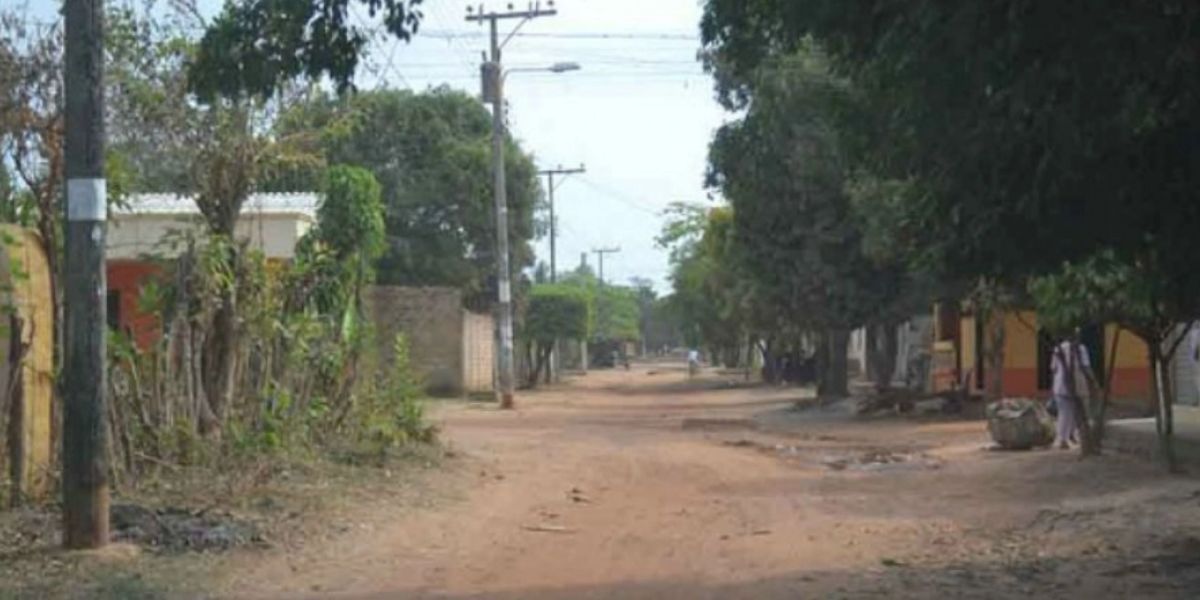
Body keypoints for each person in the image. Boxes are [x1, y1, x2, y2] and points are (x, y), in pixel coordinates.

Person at [1050, 333, 1095, 450]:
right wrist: (1093, 381)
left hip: (1059, 384)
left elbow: (1053, 368)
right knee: (1074, 413)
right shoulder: (1081, 349)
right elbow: (1086, 367)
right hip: (1075, 384)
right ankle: (1065, 439)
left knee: (1064, 413)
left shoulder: (1058, 348)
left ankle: (1065, 437)